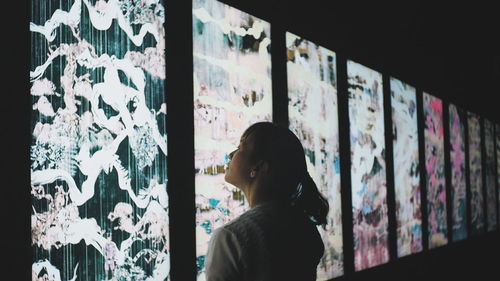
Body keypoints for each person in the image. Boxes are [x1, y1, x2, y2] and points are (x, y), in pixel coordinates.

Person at [205, 122, 329, 281]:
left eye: (240, 147)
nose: (231, 154)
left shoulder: (230, 238)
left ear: (258, 167)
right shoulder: (305, 226)